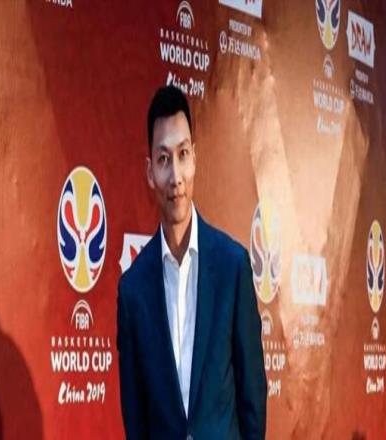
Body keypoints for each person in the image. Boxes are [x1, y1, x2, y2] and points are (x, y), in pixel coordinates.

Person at [117, 86, 267, 439]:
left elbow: (253, 398)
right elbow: (135, 420)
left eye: (182, 154)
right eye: (163, 159)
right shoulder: (133, 291)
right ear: (150, 172)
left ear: (195, 159)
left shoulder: (232, 268)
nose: (176, 177)